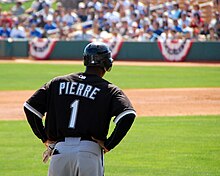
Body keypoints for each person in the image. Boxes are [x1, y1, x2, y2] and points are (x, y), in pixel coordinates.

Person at [23, 42, 136, 176]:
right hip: (89, 151)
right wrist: (109, 143)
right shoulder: (109, 89)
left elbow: (30, 108)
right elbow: (128, 114)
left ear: (85, 60)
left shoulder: (57, 83)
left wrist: (44, 137)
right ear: (107, 64)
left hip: (60, 151)